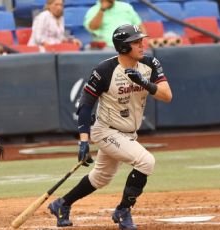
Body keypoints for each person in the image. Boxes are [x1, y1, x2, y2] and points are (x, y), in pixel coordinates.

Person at [47, 24, 172, 229]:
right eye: (136, 42)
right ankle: (123, 211)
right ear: (124, 47)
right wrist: (84, 142)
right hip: (105, 130)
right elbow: (85, 106)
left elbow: (167, 95)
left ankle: (62, 204)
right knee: (146, 162)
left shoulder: (150, 63)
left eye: (142, 40)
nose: (142, 44)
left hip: (129, 132)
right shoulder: (104, 70)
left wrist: (144, 83)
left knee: (101, 177)